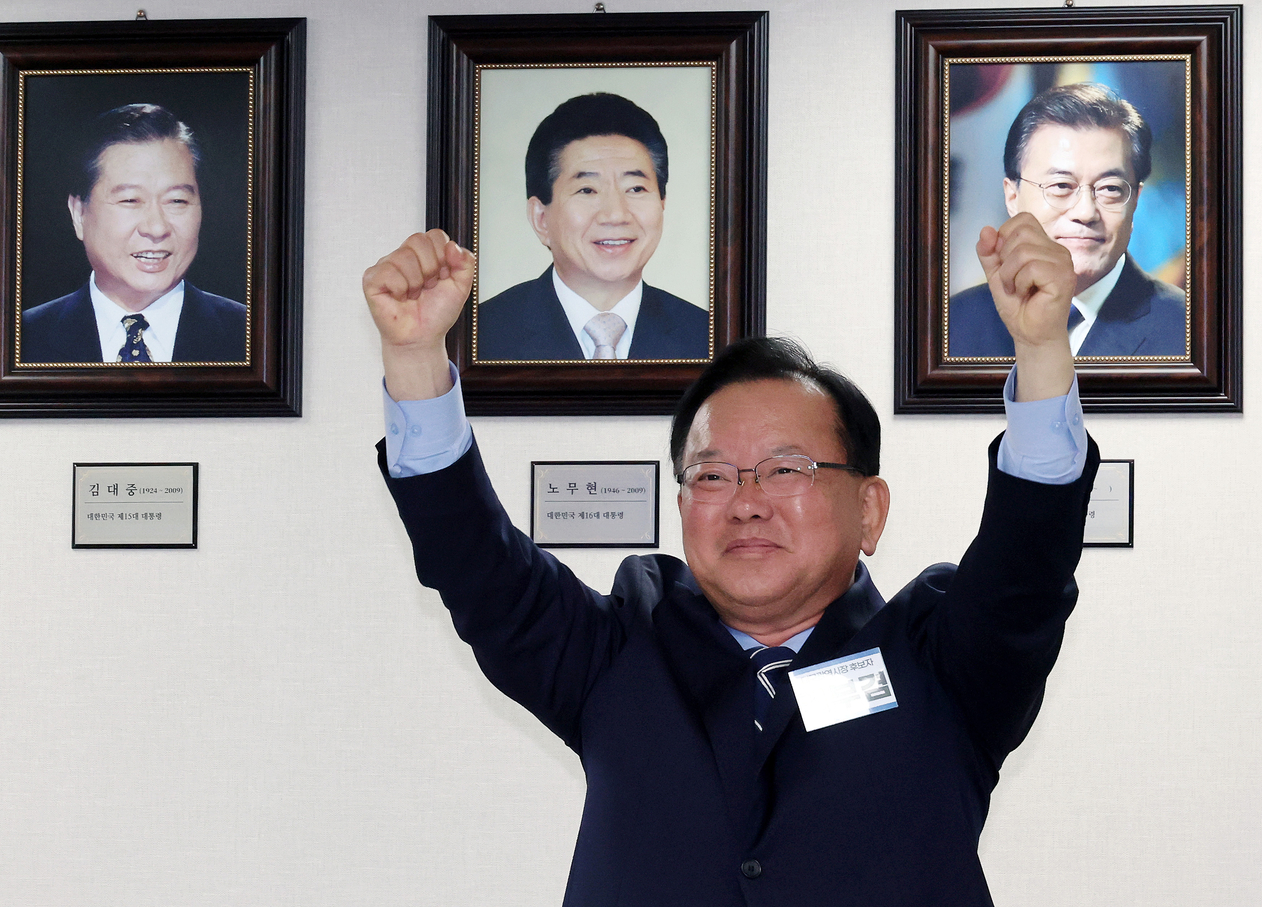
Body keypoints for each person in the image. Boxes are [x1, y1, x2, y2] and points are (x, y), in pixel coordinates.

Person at [364, 215, 1098, 904]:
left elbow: (1022, 570)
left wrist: (1039, 352)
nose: (745, 502)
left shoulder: (942, 663)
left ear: (868, 511)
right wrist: (414, 355)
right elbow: (477, 567)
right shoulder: (617, 653)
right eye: (711, 475)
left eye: (786, 470)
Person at [950, 82, 1187, 358]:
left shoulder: (1186, 333)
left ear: (1134, 201)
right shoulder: (955, 326)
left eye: (1110, 189)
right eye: (1061, 186)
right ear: (1012, 197)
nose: (1085, 213)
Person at [476, 93, 709, 361]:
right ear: (541, 218)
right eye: (587, 190)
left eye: (635, 188)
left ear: (662, 202)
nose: (615, 215)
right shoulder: (480, 336)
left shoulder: (708, 337)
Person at [20, 103, 247, 365]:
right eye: (130, 200)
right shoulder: (22, 341)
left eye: (177, 201)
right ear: (78, 214)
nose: (156, 228)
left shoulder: (252, 337)